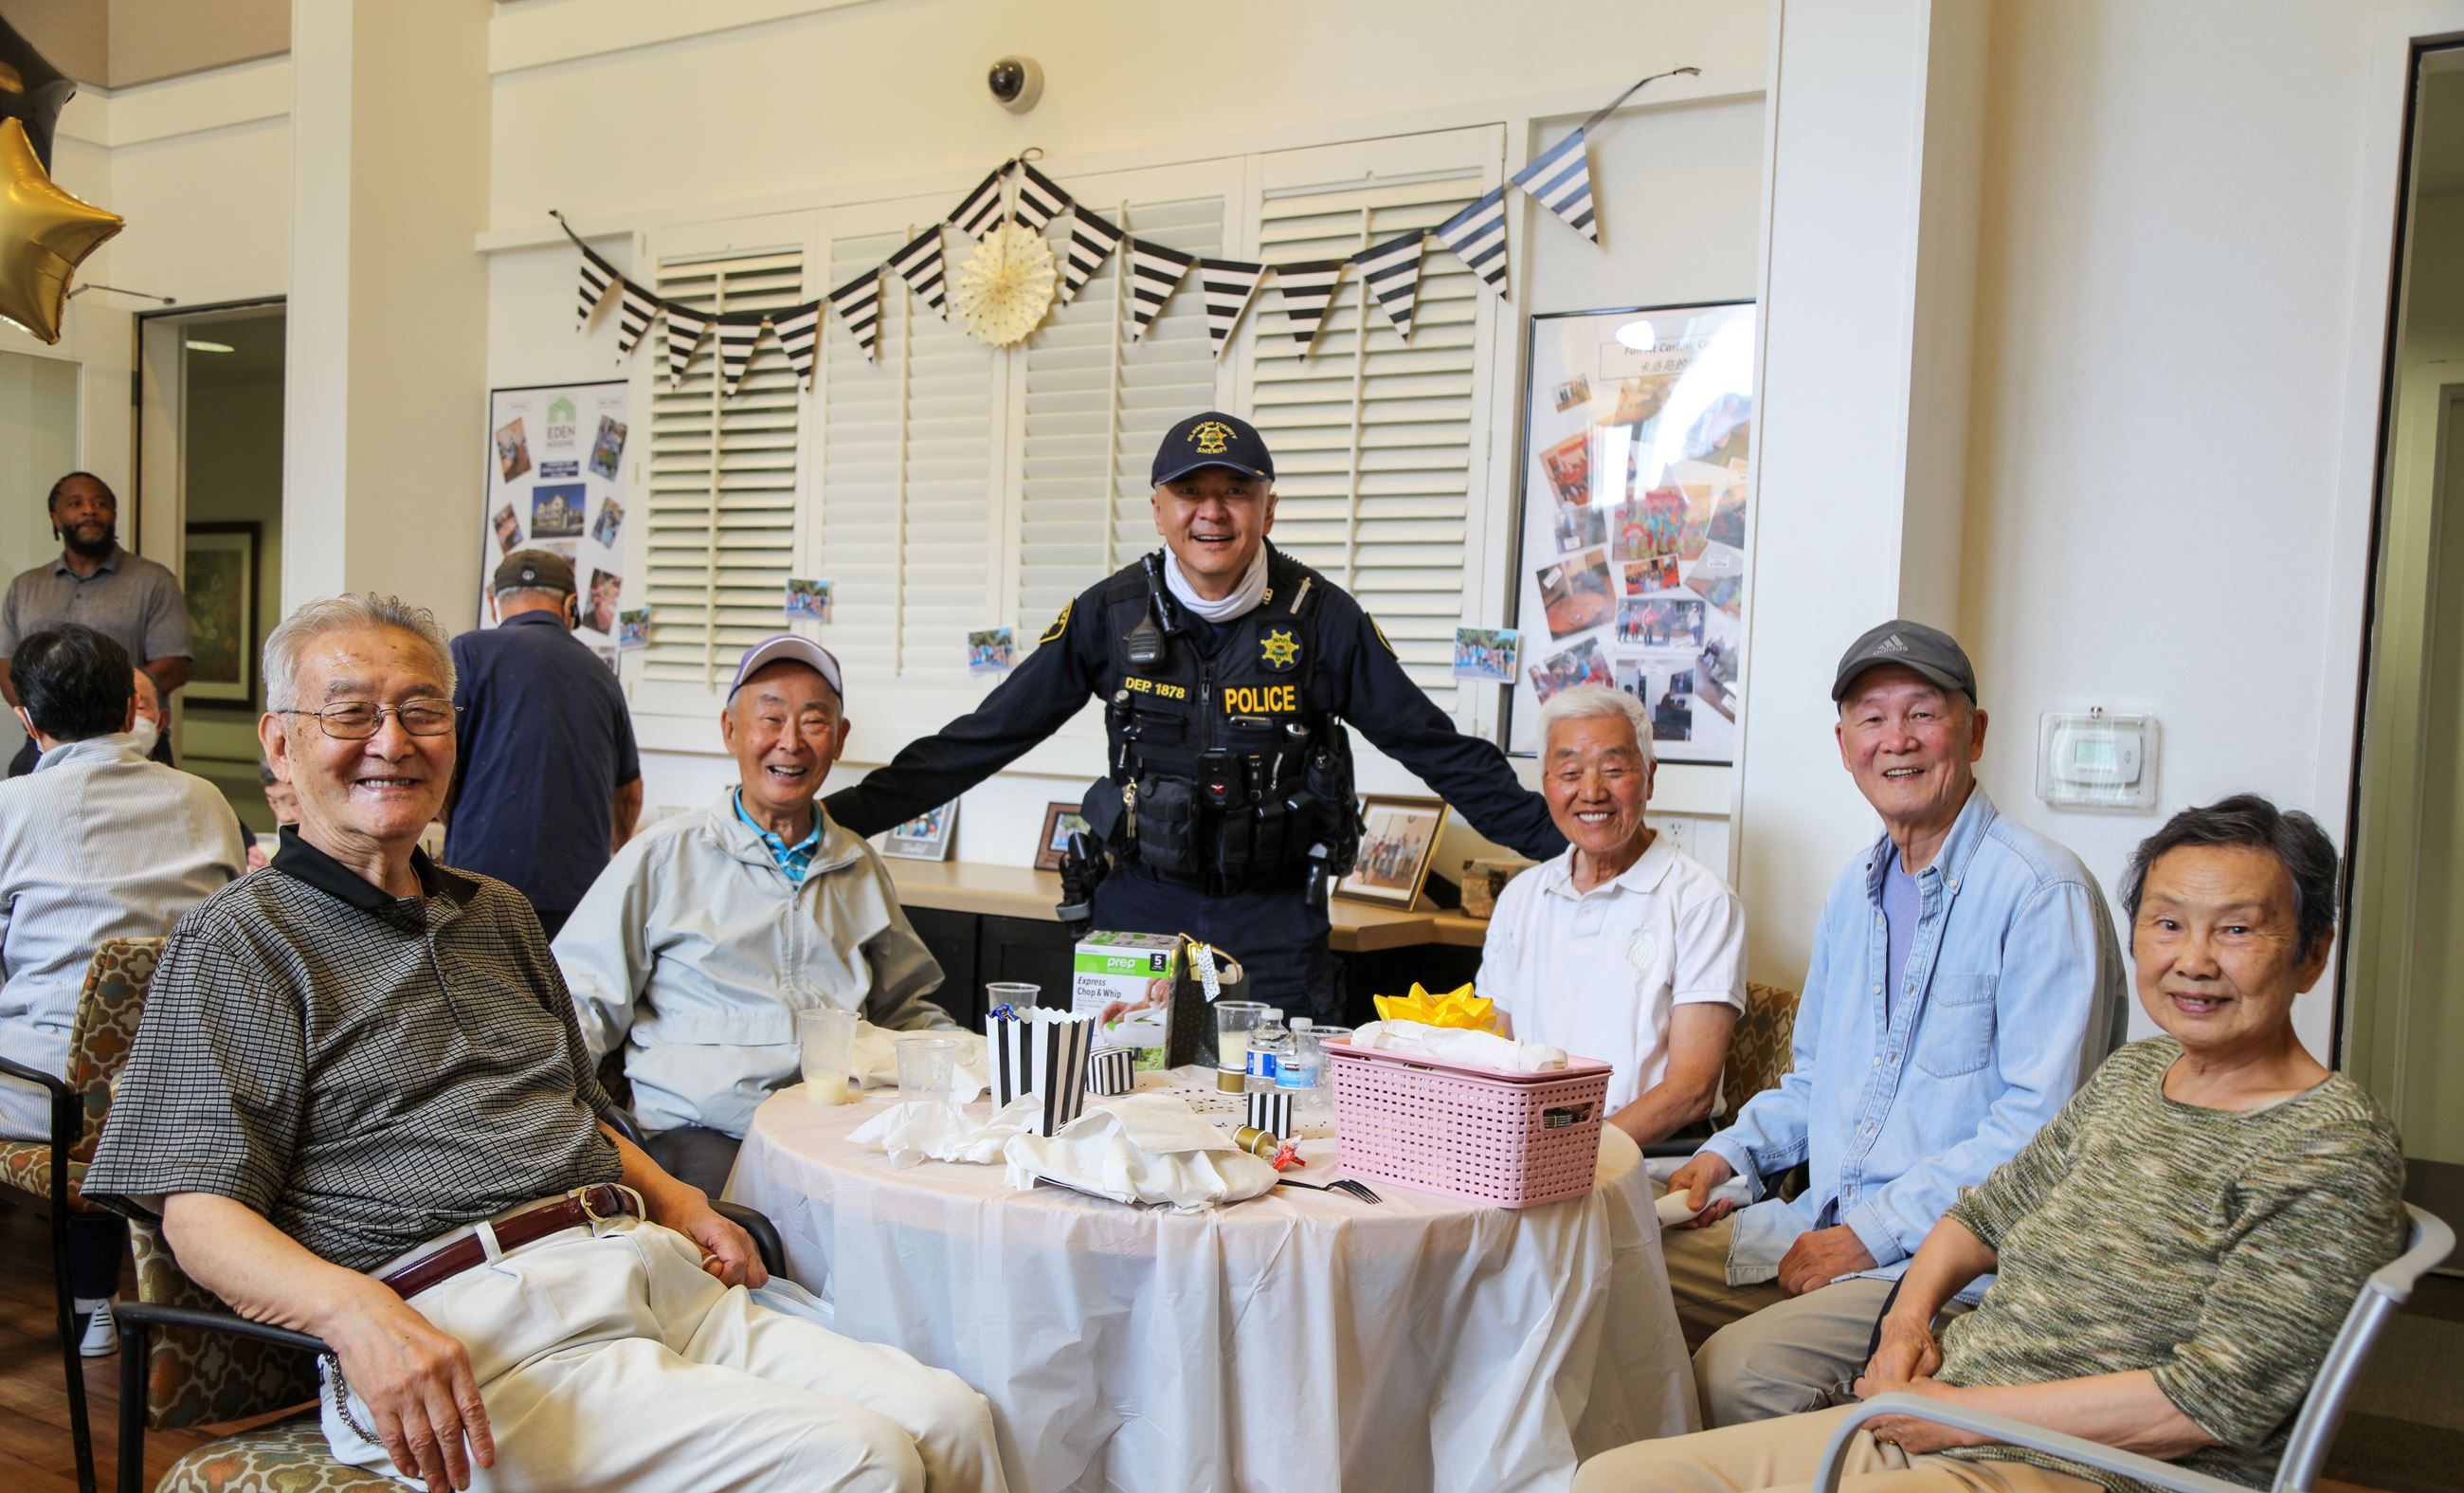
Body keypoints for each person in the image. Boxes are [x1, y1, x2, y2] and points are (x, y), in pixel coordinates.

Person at [80, 595, 1045, 1493]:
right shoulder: (242, 940)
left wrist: (679, 1197)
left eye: (422, 711)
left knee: (952, 1419)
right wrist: (354, 1315)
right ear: (280, 741)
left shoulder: (494, 913)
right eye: (351, 712)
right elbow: (196, 1215)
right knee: (853, 1468)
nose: (392, 742)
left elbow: (580, 1108)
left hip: (638, 1270)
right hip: (466, 1331)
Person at [1531, 795, 2406, 1493]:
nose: (2194, 959)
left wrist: (1967, 1412)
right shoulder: (2136, 1080)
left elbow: (2202, 1402)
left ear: (2313, 952)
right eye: (2168, 923)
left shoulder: (2328, 1145)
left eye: (2238, 928)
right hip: (1967, 1442)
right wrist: (1907, 1323)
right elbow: (1977, 1216)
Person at [824, 412, 1565, 1018]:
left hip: (1275, 919)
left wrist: (1569, 846)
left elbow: (1434, 747)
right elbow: (983, 737)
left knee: (1280, 1120)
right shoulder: (1108, 615)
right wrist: (831, 819)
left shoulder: (1322, 621)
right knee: (1118, 1110)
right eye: (1190, 492)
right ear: (1158, 508)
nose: (1212, 511)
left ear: (1267, 507)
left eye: (1234, 492)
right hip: (1137, 905)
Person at [1661, 620, 2125, 1428]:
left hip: (1950, 1270)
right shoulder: (1856, 891)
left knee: (1736, 1376)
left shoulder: (2041, 892)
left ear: (1974, 732)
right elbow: (1814, 1081)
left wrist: (1870, 1234)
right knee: (1609, 1271)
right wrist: (1725, 1152)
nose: (1896, 739)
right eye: (1872, 718)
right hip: (1819, 1224)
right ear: (1844, 745)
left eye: (1922, 712)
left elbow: (2041, 1131)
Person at [556, 634, 954, 1193]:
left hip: (839, 1126)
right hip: (703, 1131)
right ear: (731, 730)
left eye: (813, 722)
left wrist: (984, 1061)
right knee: (750, 1249)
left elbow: (907, 1009)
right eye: (770, 718)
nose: (790, 743)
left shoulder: (857, 865)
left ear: (839, 739)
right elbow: (580, 1002)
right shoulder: (663, 855)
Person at [0, 624, 244, 1354]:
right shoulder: (205, 801)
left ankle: (88, 1300)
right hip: (182, 1087)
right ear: (131, 707)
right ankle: (97, 1295)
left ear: (28, 721)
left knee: (51, 1043)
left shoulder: (12, 808)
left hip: (49, 1097)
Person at [1477, 684, 1745, 1142]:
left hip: (1649, 1156)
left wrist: (1574, 1153)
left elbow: (1691, 1091)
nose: (1592, 792)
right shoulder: (1521, 898)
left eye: (1614, 770)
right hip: (1529, 1150)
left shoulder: (1701, 901)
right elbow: (1490, 1051)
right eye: (1569, 772)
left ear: (1650, 777)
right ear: (1546, 783)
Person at [442, 550, 642, 941]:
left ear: (493, 603)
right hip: (580, 892)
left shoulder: (467, 653)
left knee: (486, 1000)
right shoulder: (602, 673)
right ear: (571, 606)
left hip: (480, 883)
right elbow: (629, 793)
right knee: (561, 1000)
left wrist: (461, 825)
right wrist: (615, 849)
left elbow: (440, 764)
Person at [0, 474, 191, 778]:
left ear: (114, 516)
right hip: (43, 740)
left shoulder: (154, 581)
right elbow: (7, 665)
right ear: (55, 518)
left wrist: (115, 705)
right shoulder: (25, 587)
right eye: (75, 504)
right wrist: (39, 712)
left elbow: (174, 664)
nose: (90, 510)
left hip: (130, 740)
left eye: (100, 504)